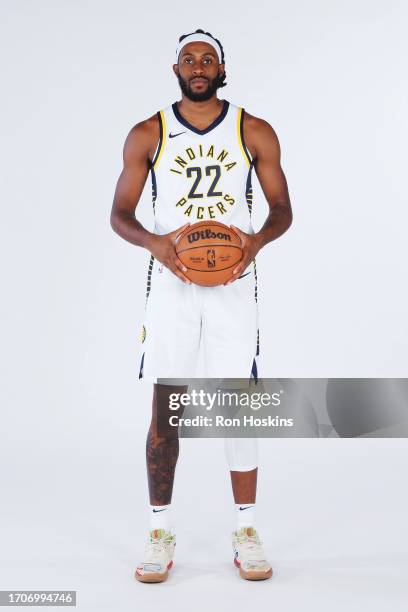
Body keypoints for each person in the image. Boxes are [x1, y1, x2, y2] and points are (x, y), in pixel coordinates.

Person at [110, 29, 292, 582]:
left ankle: (246, 529)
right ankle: (160, 530)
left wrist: (254, 242)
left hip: (234, 279)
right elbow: (120, 213)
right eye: (188, 59)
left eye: (206, 58)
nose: (197, 66)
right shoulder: (148, 133)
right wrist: (157, 245)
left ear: (221, 67)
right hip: (172, 281)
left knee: (236, 401)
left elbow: (282, 207)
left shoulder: (252, 130)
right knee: (168, 401)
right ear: (175, 70)